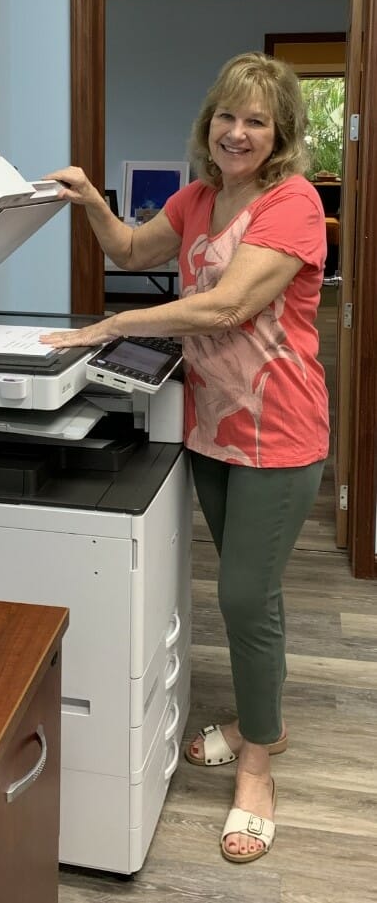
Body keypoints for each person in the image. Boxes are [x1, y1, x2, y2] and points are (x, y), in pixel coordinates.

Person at [40, 51, 329, 864]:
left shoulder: (293, 202)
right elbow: (130, 252)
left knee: (245, 594)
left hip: (280, 430)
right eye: (225, 117)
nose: (236, 132)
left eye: (256, 120)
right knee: (237, 591)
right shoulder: (198, 197)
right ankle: (249, 718)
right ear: (209, 124)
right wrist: (92, 200)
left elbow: (233, 301)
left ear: (280, 135)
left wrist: (111, 326)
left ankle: (258, 764)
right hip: (211, 426)